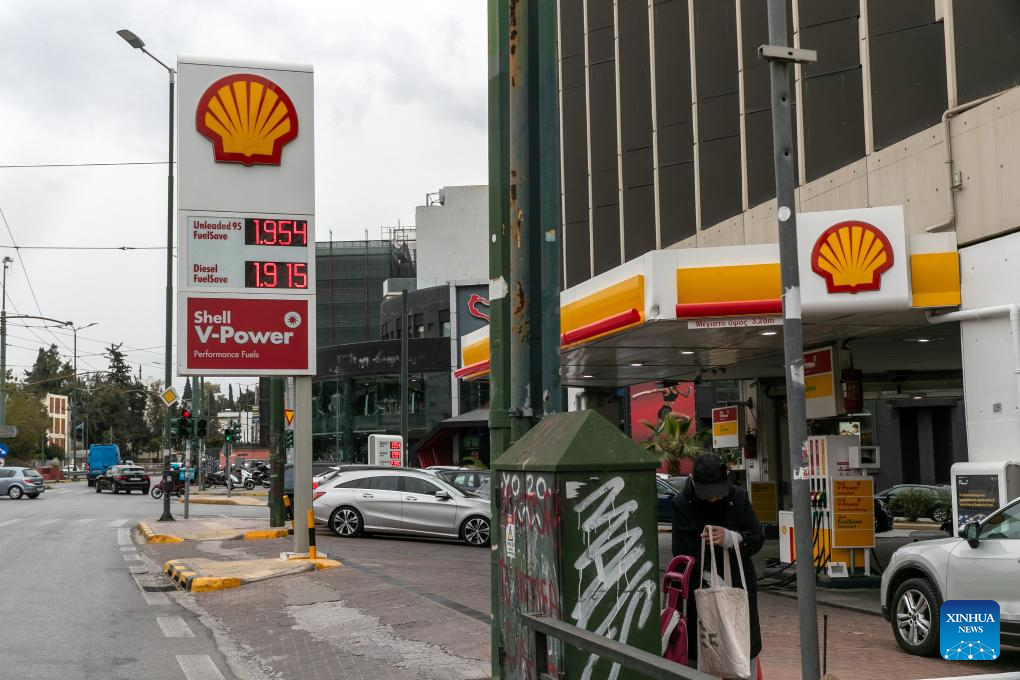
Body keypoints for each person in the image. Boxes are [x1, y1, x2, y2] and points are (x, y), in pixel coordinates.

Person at [672, 453, 764, 677]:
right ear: (694, 482)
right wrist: (709, 574)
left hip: (738, 588)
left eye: (717, 493)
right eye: (707, 494)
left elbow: (756, 537)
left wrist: (732, 538)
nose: (713, 499)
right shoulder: (682, 503)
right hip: (701, 593)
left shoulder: (738, 497)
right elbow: (681, 553)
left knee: (742, 649)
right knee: (704, 653)